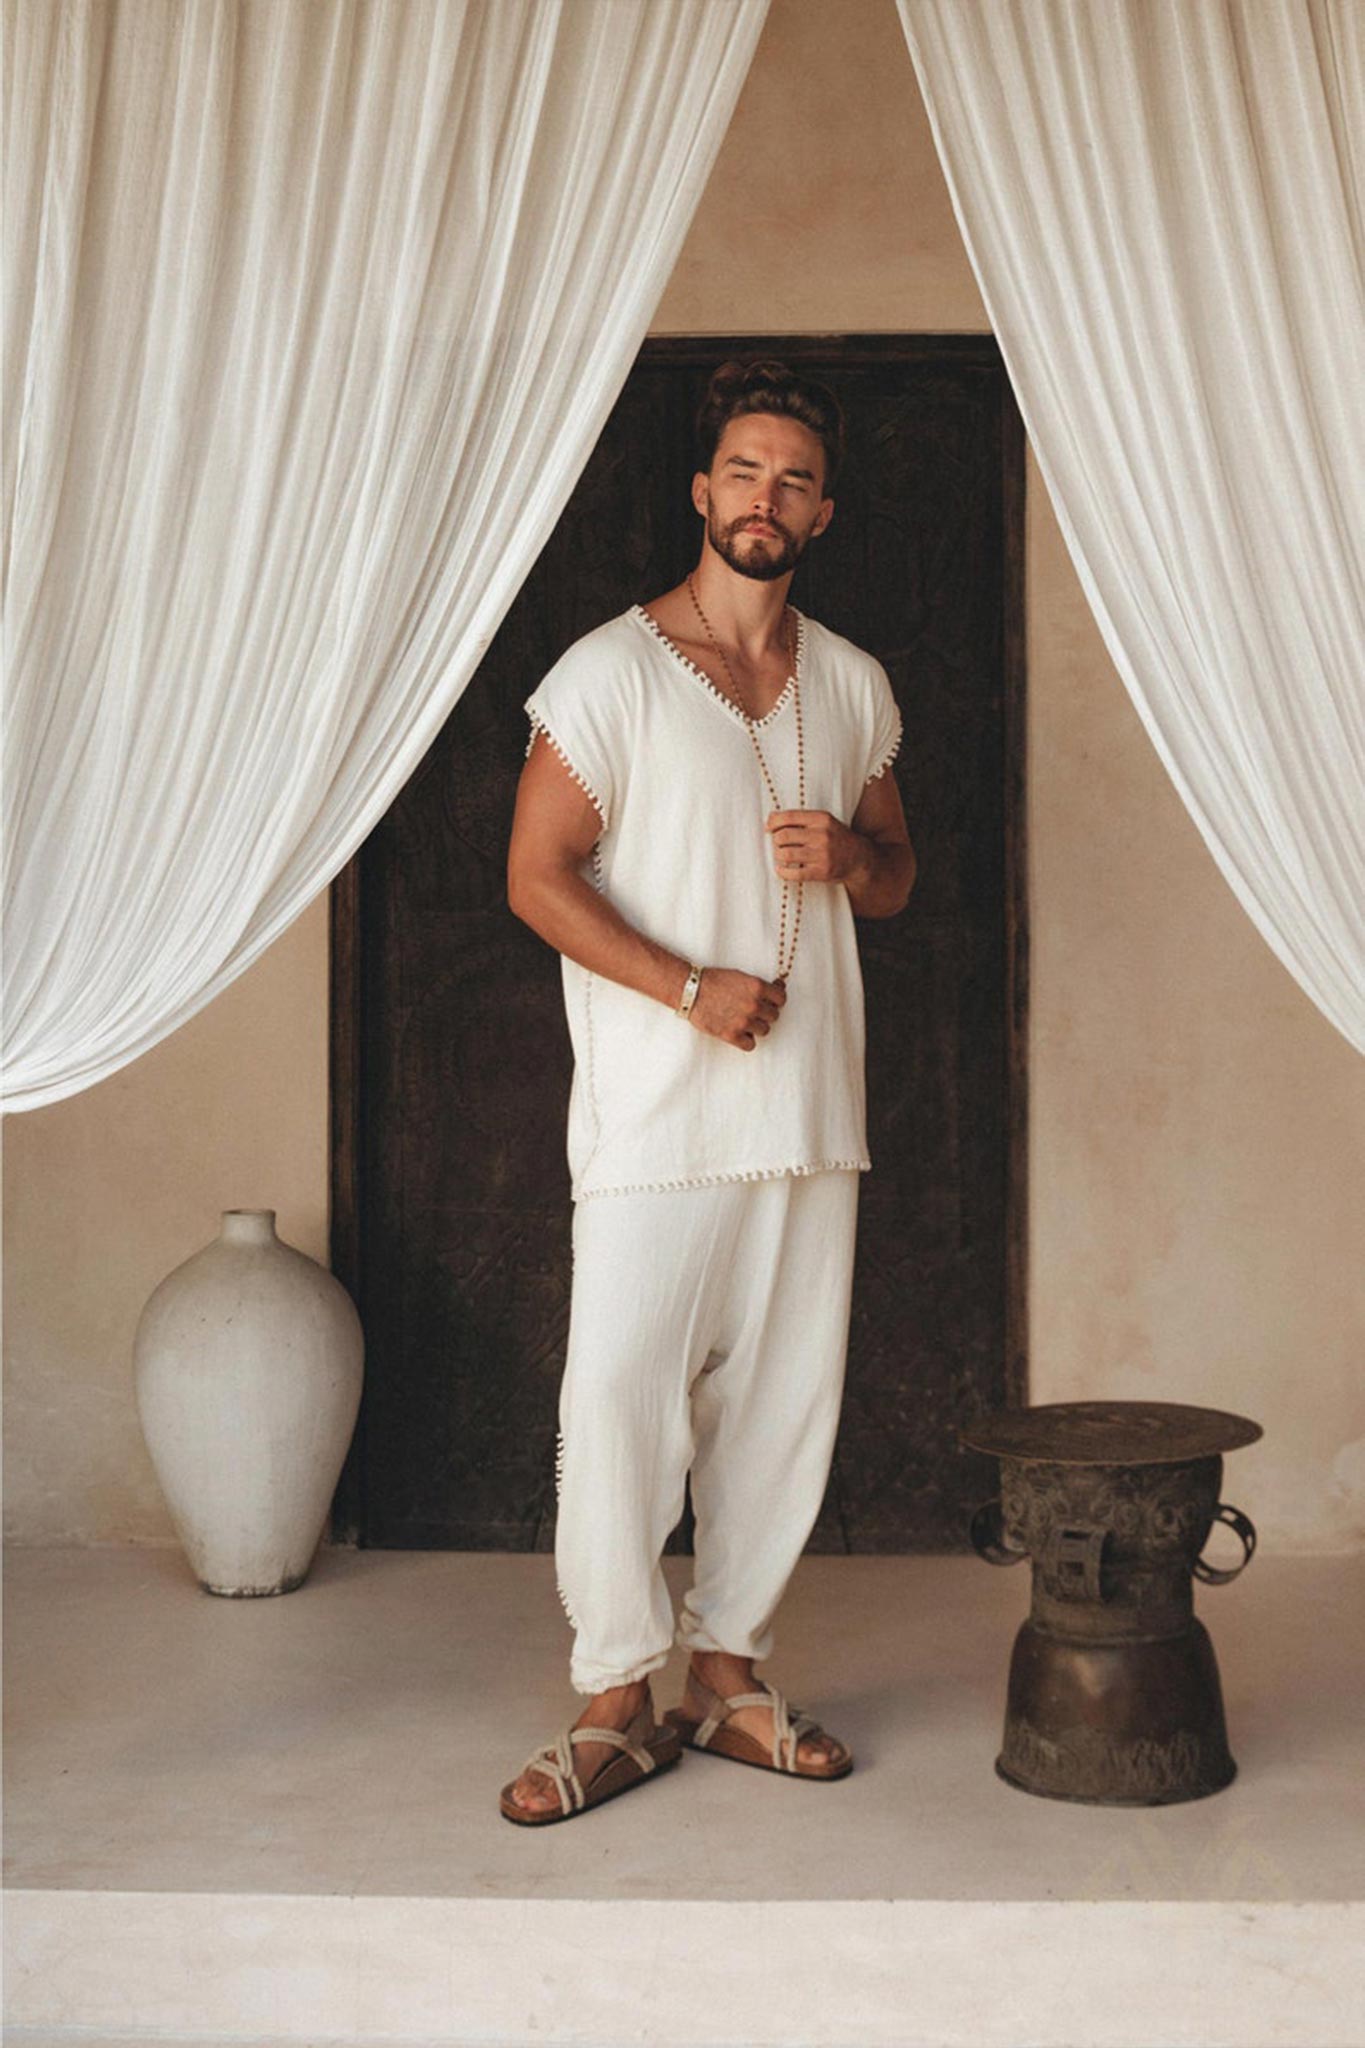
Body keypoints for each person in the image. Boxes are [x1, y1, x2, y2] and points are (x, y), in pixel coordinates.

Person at [499, 358, 916, 1824]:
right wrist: (687, 988)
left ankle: (728, 1676)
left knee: (785, 1405)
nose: (765, 496)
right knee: (616, 1397)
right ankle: (615, 1694)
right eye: (743, 470)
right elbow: (533, 878)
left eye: (793, 478)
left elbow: (896, 871)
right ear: (702, 490)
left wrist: (849, 864)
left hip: (810, 1111)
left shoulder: (853, 682)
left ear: (821, 509)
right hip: (658, 1113)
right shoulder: (607, 673)